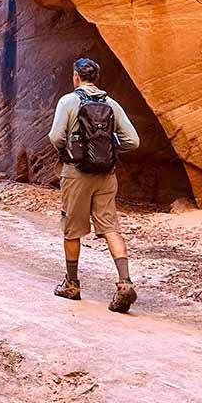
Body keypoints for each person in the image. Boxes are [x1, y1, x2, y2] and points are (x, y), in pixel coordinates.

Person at [48, 57, 140, 313]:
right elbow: (133, 141)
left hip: (76, 173)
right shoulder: (111, 103)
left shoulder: (68, 101)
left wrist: (71, 151)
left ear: (76, 76)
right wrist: (108, 149)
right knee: (110, 226)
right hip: (106, 174)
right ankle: (124, 282)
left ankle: (72, 284)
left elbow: (55, 136)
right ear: (96, 78)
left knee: (72, 228)